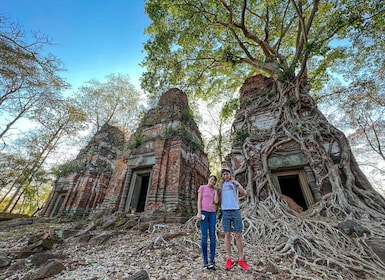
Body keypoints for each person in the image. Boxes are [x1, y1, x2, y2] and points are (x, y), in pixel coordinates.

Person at [219, 168, 250, 271]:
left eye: (227, 174)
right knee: (227, 235)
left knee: (238, 235)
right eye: (223, 174)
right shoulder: (221, 185)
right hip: (225, 211)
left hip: (235, 210)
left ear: (230, 174)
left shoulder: (235, 183)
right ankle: (229, 259)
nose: (225, 176)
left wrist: (235, 184)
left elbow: (244, 193)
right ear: (222, 176)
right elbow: (216, 197)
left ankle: (241, 259)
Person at [197, 175, 219, 269]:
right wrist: (199, 212)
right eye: (211, 179)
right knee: (204, 236)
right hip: (204, 213)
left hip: (212, 213)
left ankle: (212, 261)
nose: (212, 181)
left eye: (214, 180)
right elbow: (199, 200)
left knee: (213, 236)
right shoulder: (202, 187)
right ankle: (205, 261)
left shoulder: (214, 190)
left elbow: (216, 202)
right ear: (208, 179)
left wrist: (217, 191)